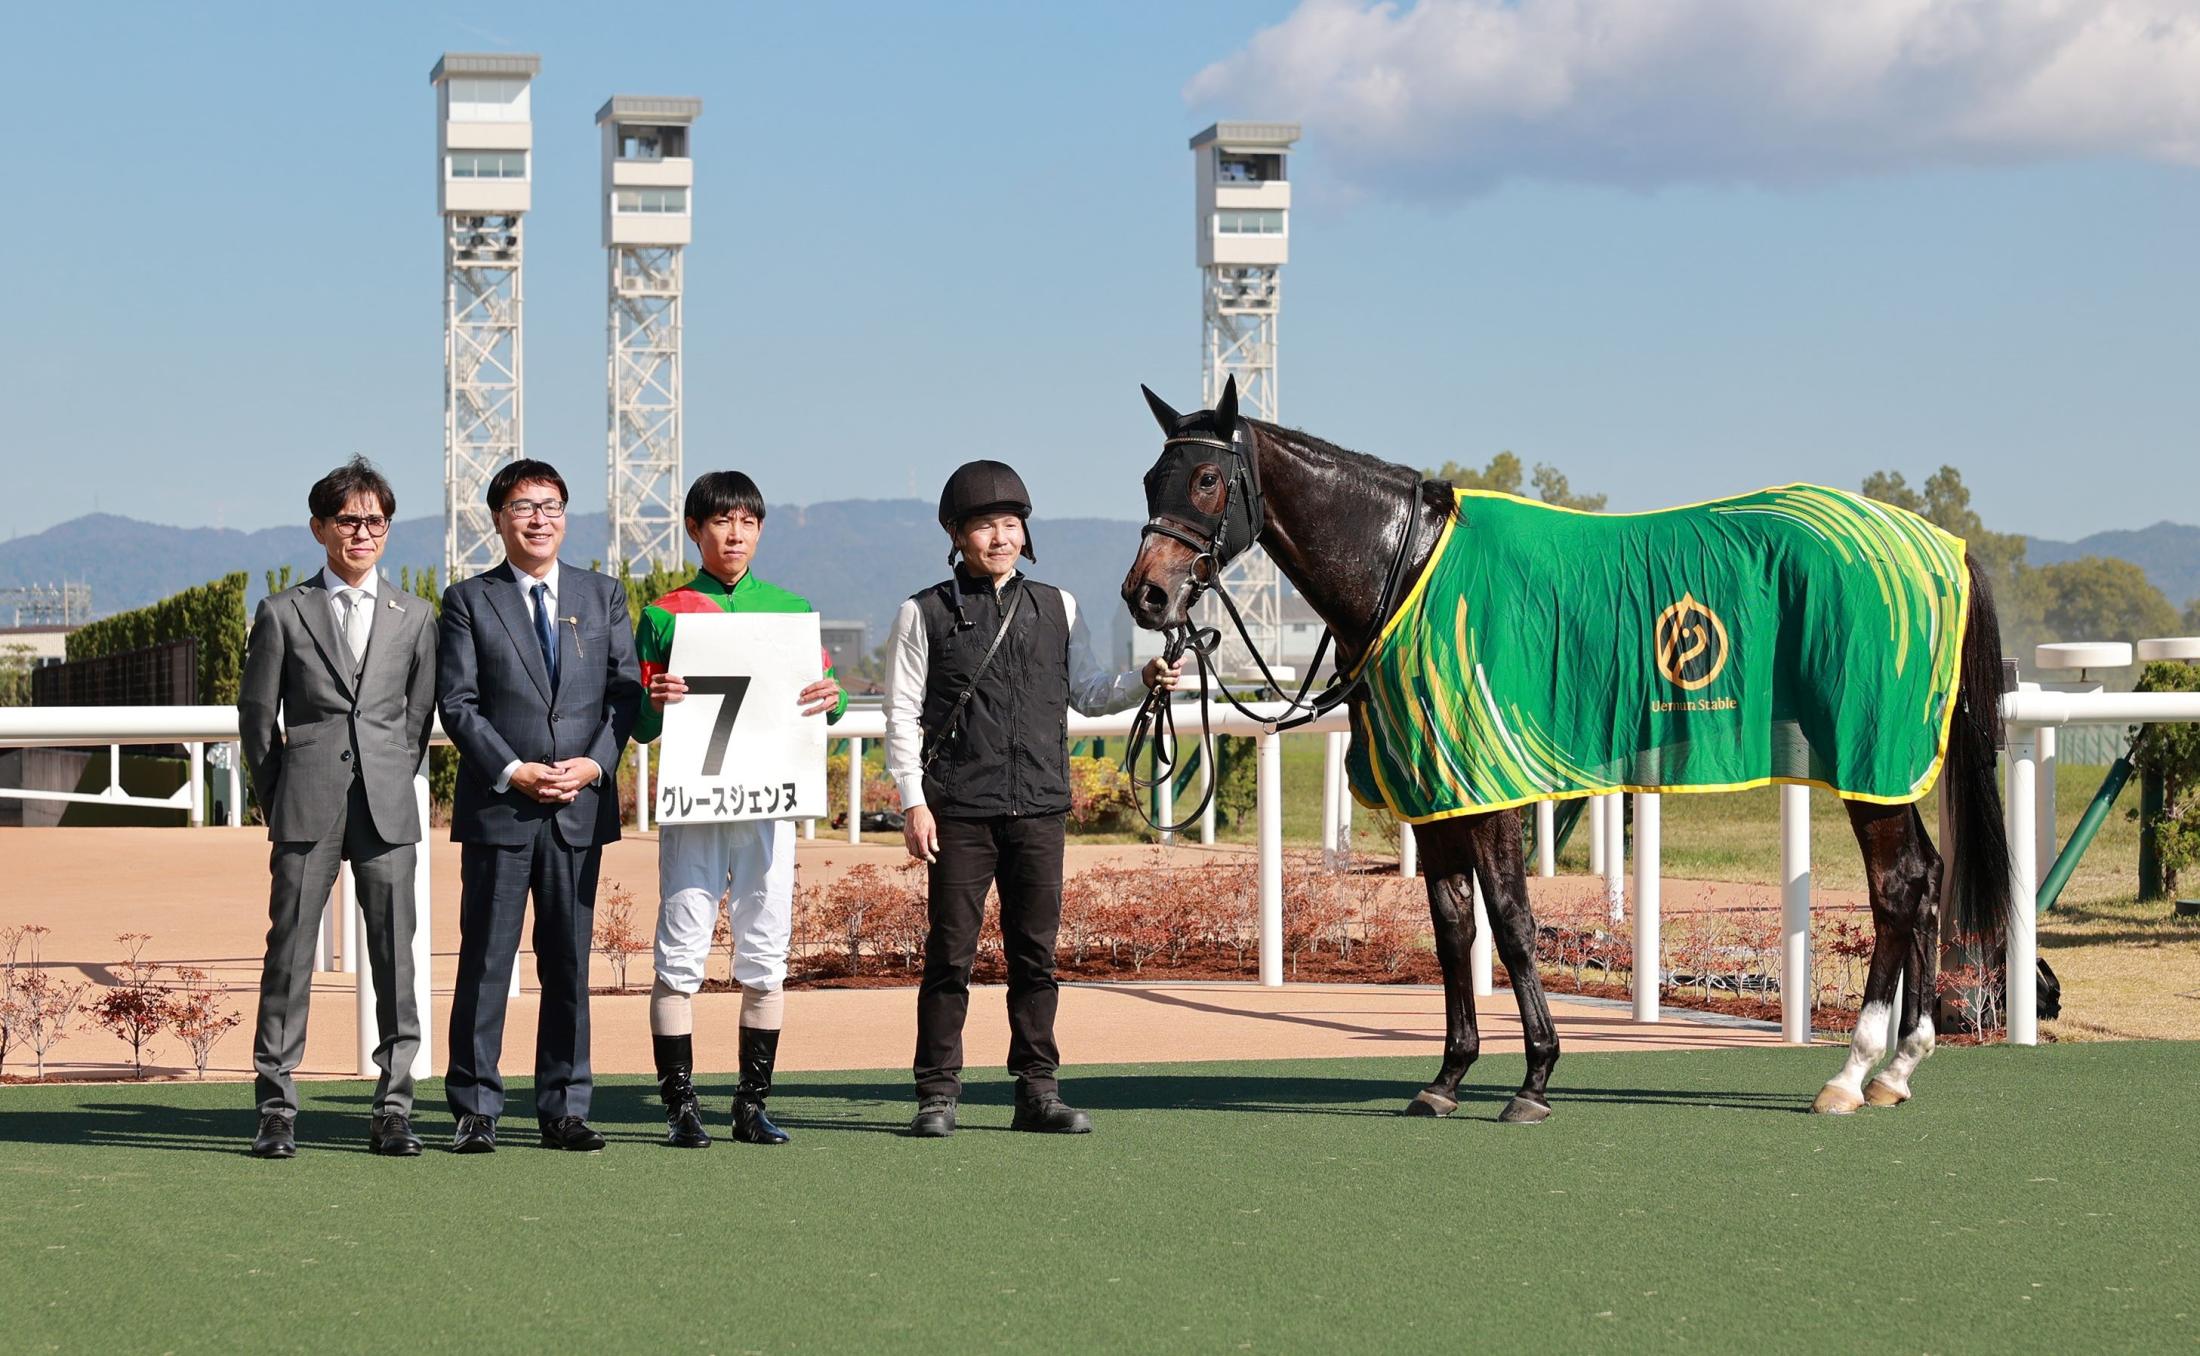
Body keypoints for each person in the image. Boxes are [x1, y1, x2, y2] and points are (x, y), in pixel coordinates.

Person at [885, 460, 1180, 1138]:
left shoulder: (1059, 605)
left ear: (1025, 531)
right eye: (985, 525)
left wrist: (1144, 678)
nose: (1000, 537)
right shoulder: (921, 612)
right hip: (956, 809)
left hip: (1041, 806)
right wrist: (913, 801)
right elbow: (902, 714)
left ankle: (1037, 1092)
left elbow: (1090, 693)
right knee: (949, 957)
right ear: (957, 535)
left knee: (1035, 957)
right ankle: (937, 1095)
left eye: (1011, 524)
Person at [634, 471, 847, 1148]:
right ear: (696, 530)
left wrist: (830, 696)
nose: (734, 534)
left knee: (764, 955)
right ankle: (681, 1110)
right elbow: (639, 724)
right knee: (679, 955)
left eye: (746, 522)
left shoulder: (790, 609)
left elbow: (830, 697)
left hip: (767, 809)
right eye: (720, 521)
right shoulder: (664, 613)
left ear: (759, 530)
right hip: (696, 807)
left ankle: (751, 1106)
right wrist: (655, 698)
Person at [438, 459, 642, 1153]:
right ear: (498, 519)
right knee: (488, 960)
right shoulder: (469, 601)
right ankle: (474, 1108)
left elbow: (624, 696)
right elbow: (458, 704)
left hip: (578, 807)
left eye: (551, 506)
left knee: (569, 963)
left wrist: (594, 765)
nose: (539, 518)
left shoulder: (603, 594)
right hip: (503, 808)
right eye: (524, 507)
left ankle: (563, 1107)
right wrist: (516, 769)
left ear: (565, 515)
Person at [238, 457, 438, 1159]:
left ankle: (394, 1107)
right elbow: (259, 719)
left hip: (387, 808)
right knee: (288, 955)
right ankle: (275, 1107)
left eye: (374, 521)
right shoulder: (282, 612)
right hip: (305, 804)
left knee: (396, 960)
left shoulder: (415, 616)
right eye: (348, 519)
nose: (362, 532)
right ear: (320, 526)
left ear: (388, 529)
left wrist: (389, 777)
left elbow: (416, 720)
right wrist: (280, 797)